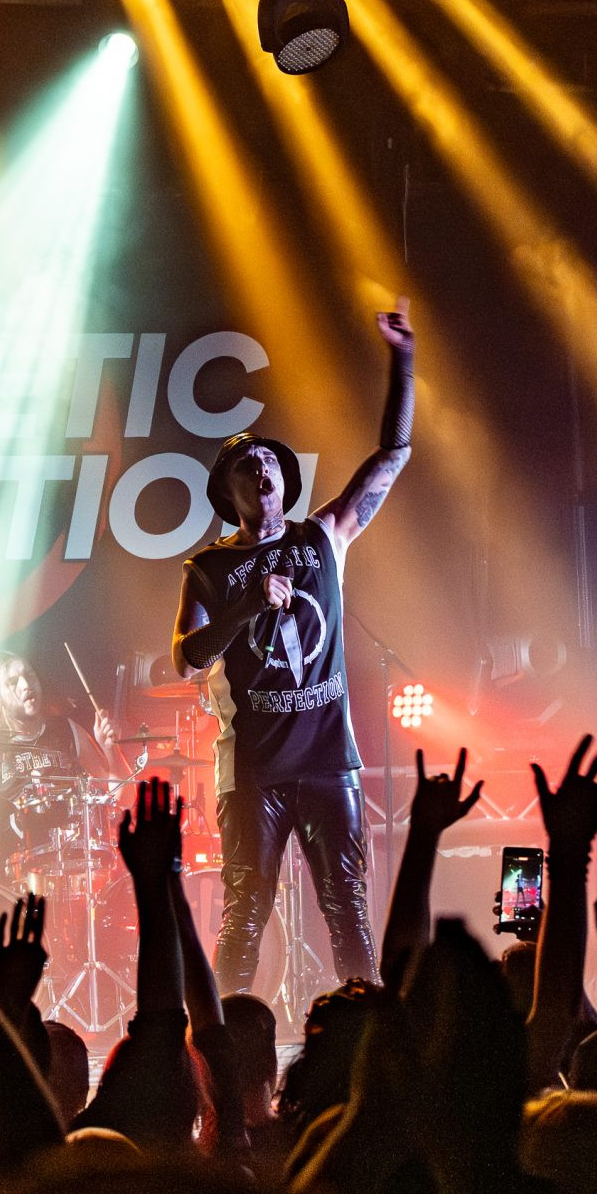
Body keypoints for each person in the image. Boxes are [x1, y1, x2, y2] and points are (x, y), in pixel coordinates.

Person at [170, 298, 416, 994]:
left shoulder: (323, 537)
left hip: (329, 761)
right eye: (246, 466)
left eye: (269, 461)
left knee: (349, 912)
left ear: (283, 477)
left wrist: (403, 361)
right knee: (246, 917)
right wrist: (248, 604)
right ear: (231, 491)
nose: (262, 470)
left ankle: (365, 1039)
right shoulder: (209, 568)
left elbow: (394, 455)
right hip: (253, 770)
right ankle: (224, 1043)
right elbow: (185, 659)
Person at [0, 651, 126, 856]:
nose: (26, 685)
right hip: (7, 867)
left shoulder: (66, 730)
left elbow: (124, 799)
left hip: (71, 862)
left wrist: (111, 749)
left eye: (30, 675)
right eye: (12, 682)